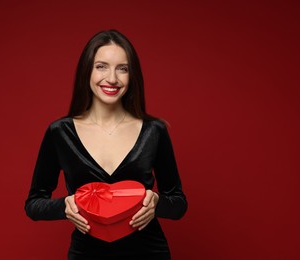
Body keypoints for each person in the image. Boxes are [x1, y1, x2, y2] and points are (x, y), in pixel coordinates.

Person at [25, 29, 187, 260]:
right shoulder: (59, 132)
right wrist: (65, 205)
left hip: (149, 252)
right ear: (86, 71)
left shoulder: (154, 131)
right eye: (101, 66)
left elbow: (179, 204)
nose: (112, 78)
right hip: (86, 253)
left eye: (122, 68)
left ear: (132, 76)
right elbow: (33, 204)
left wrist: (157, 203)